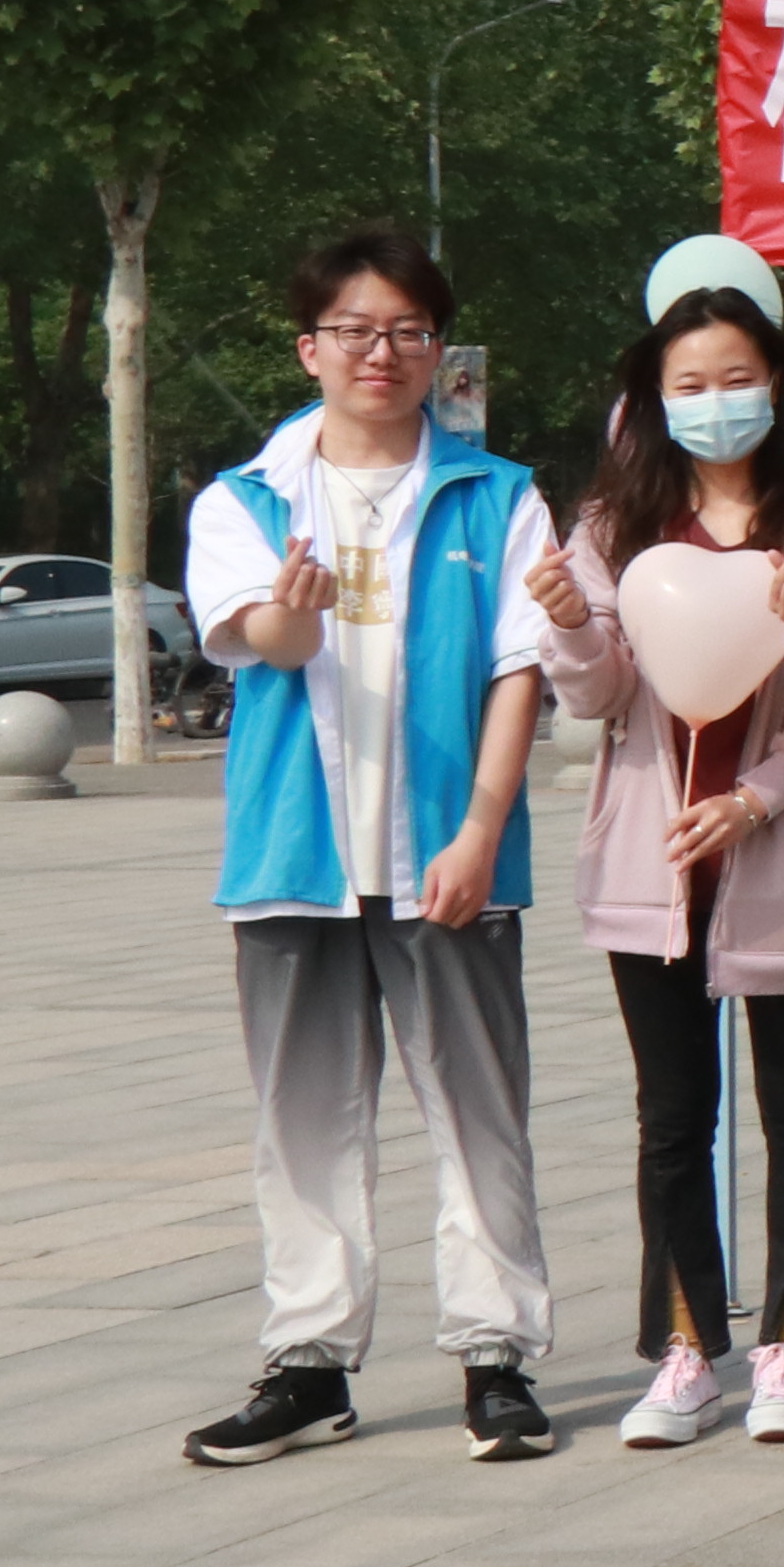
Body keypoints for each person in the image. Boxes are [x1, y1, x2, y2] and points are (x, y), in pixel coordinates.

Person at [181, 229, 569, 1469]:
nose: (381, 352)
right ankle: (310, 1363)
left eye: (407, 330)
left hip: (449, 857)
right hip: (295, 856)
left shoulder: (499, 495)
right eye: (354, 329)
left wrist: (482, 829)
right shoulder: (245, 498)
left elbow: (522, 670)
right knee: (303, 1118)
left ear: (439, 349)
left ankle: (496, 1359)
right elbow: (267, 644)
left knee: (480, 1110)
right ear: (311, 348)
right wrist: (291, 615)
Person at [526, 286, 784, 1450]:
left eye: (737, 379)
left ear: (776, 386)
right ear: (655, 399)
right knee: (672, 1116)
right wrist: (571, 621)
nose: (716, 403)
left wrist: (753, 797)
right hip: (649, 861)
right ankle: (684, 1351)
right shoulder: (612, 526)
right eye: (690, 384)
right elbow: (594, 696)